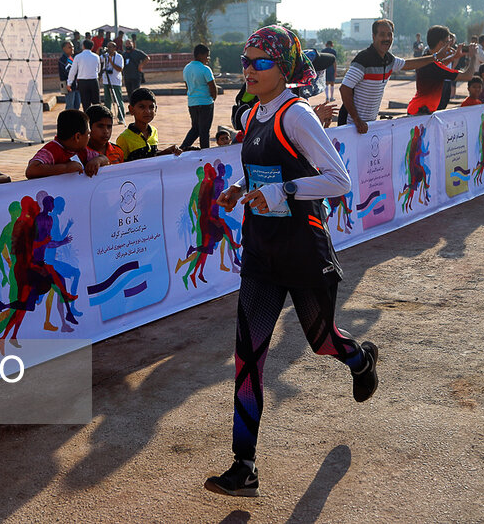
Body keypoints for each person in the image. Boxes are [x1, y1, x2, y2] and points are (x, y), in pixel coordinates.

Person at [204, 25, 378, 497]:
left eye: (260, 62)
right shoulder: (252, 113)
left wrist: (282, 191)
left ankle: (360, 359)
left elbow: (338, 180)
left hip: (303, 248)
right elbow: (263, 169)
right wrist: (244, 188)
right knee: (249, 358)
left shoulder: (297, 115)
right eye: (245, 61)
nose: (249, 70)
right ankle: (245, 466)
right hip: (261, 251)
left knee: (321, 342)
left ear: (284, 67)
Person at [340, 19, 442, 133]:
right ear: (374, 37)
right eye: (382, 35)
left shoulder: (389, 60)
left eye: (389, 35)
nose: (387, 39)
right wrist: (357, 120)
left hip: (369, 125)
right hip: (351, 126)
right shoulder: (363, 59)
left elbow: (409, 64)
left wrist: (435, 58)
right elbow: (345, 88)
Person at [405, 25, 477, 116]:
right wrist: (473, 56)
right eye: (447, 42)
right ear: (441, 44)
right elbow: (468, 76)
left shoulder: (425, 58)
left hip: (418, 109)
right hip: (420, 112)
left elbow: (438, 66)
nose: (450, 45)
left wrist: (453, 57)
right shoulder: (434, 65)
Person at [25, 109, 109, 179]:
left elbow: (105, 159)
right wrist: (66, 168)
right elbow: (31, 170)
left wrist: (97, 161)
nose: (89, 137)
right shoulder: (51, 150)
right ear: (77, 137)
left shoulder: (82, 150)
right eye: (88, 134)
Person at [116, 88, 181, 162]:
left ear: (156, 109)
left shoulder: (153, 131)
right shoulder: (124, 138)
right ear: (131, 109)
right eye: (141, 107)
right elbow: (120, 166)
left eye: (151, 107)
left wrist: (166, 151)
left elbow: (152, 156)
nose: (147, 111)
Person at [181, 44, 217, 149]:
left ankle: (182, 148)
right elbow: (212, 86)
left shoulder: (186, 68)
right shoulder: (205, 69)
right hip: (205, 103)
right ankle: (205, 153)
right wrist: (213, 98)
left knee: (195, 129)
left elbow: (187, 86)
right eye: (207, 55)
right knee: (204, 131)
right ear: (201, 55)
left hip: (192, 103)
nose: (208, 58)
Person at [68, 39, 103, 111]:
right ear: (92, 47)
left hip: (82, 82)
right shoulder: (96, 57)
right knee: (96, 103)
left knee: (85, 103)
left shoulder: (78, 57)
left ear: (83, 46)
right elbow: (98, 70)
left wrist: (69, 83)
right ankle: (97, 118)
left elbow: (73, 71)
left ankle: (87, 119)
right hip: (93, 81)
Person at [101, 41, 126, 122]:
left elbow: (120, 69)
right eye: (107, 47)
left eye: (110, 47)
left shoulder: (119, 57)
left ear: (115, 48)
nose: (108, 49)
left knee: (118, 99)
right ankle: (107, 117)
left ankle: (121, 117)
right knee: (107, 100)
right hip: (106, 80)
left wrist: (111, 62)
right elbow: (98, 60)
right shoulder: (105, 56)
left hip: (115, 81)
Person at [59, 41, 79, 110]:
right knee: (70, 106)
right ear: (64, 49)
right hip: (68, 85)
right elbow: (66, 73)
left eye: (72, 47)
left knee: (77, 104)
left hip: (76, 85)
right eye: (69, 47)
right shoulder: (62, 60)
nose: (72, 49)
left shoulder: (73, 58)